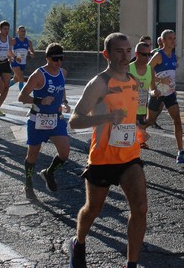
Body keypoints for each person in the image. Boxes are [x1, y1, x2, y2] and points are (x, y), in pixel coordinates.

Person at [68, 32, 148, 268]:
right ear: (107, 54)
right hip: (103, 159)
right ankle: (78, 242)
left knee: (140, 208)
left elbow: (129, 117)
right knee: (93, 209)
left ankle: (131, 264)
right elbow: (75, 120)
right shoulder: (100, 83)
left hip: (130, 157)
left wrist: (138, 129)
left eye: (128, 51)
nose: (125, 56)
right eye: (119, 51)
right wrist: (106, 117)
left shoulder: (133, 81)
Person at [18, 43, 70, 199]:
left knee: (65, 153)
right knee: (32, 154)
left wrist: (64, 102)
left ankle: (48, 173)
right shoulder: (39, 74)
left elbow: (61, 88)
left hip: (55, 119)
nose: (59, 62)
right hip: (38, 120)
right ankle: (28, 183)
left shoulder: (63, 72)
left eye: (61, 58)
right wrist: (40, 100)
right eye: (55, 59)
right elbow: (22, 96)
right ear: (47, 58)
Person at [146, 29, 184, 164]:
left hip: (169, 94)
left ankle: (181, 152)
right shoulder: (158, 55)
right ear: (163, 40)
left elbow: (170, 74)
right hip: (157, 93)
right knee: (149, 121)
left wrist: (173, 87)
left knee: (177, 120)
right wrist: (154, 87)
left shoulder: (174, 56)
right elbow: (147, 70)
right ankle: (134, 137)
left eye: (174, 38)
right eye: (170, 38)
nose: (173, 41)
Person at [129, 41, 160, 148]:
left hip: (142, 108)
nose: (147, 57)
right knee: (129, 138)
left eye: (149, 54)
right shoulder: (128, 69)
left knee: (139, 135)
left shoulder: (150, 70)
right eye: (144, 54)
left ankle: (139, 146)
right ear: (136, 54)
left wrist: (154, 92)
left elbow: (152, 88)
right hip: (128, 109)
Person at [10, 25, 35, 91]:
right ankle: (22, 95)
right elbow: (7, 49)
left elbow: (32, 51)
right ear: (18, 32)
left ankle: (4, 88)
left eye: (24, 31)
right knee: (21, 78)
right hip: (15, 62)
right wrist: (12, 57)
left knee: (16, 79)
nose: (23, 32)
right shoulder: (14, 41)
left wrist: (31, 53)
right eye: (22, 31)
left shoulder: (28, 42)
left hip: (23, 63)